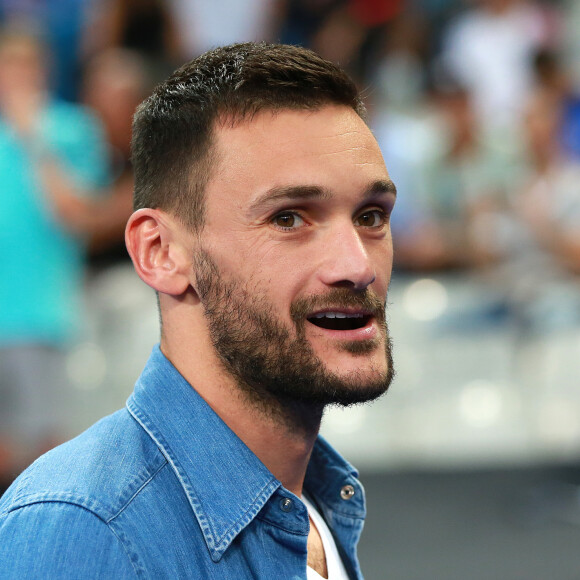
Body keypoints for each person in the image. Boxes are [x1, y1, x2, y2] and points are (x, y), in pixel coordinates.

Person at [0, 42, 397, 579]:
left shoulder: (316, 503)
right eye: (289, 219)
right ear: (161, 253)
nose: (357, 265)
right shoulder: (86, 530)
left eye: (371, 215)